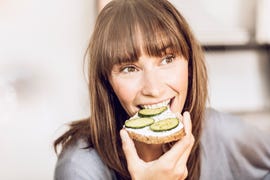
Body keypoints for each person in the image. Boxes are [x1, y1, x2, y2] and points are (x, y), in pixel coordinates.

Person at [53, 0, 270, 179]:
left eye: (167, 59)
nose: (154, 89)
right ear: (107, 82)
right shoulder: (79, 167)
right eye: (130, 68)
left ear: (190, 65)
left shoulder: (222, 132)